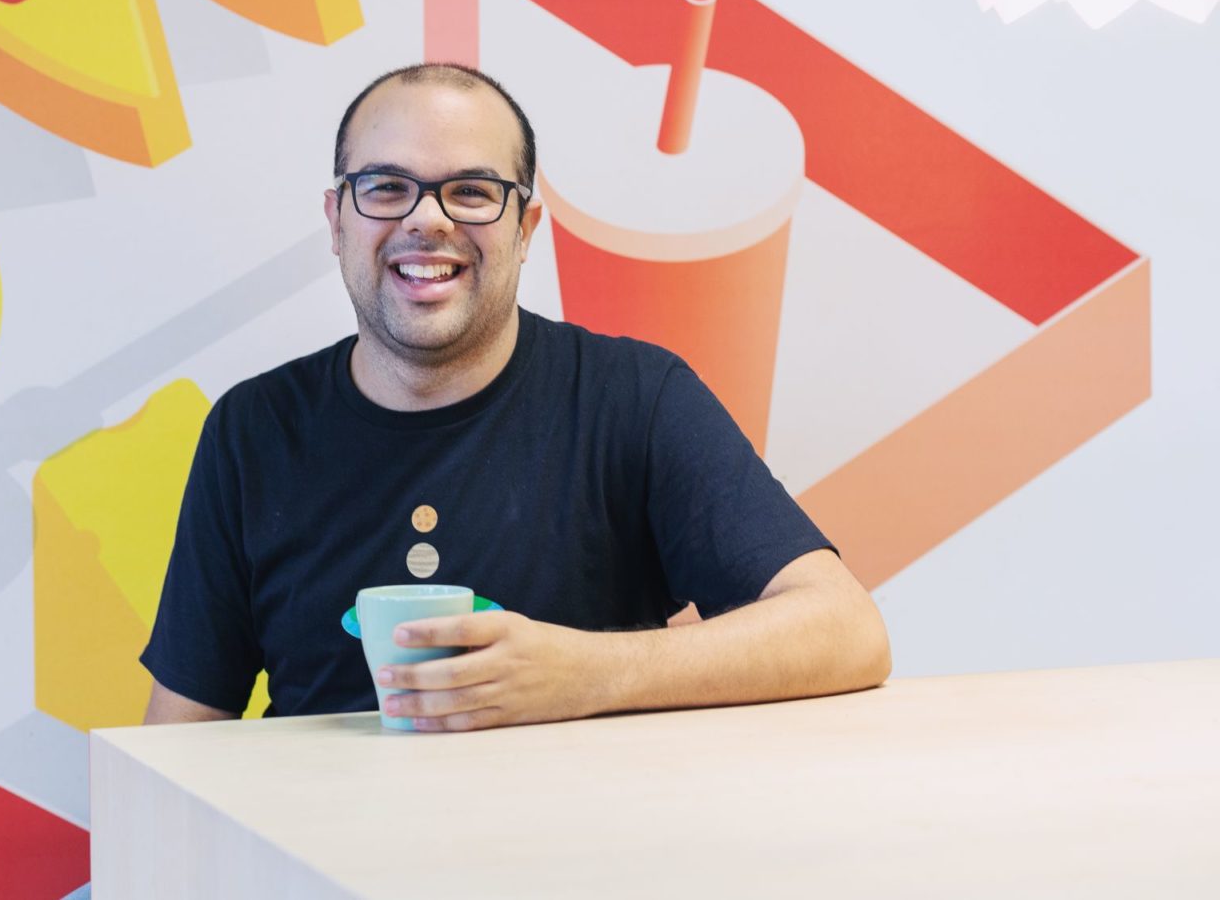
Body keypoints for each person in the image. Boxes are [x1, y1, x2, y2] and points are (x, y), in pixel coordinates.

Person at [141, 63, 891, 732]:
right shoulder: (253, 430)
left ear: (525, 229)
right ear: (337, 221)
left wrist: (586, 673)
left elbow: (846, 630)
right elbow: (179, 734)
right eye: (386, 187)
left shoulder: (634, 398)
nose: (426, 219)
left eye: (471, 192)